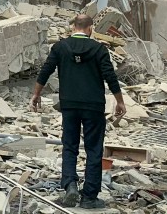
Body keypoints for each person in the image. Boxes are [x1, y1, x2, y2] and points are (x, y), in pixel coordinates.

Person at [30, 14, 126, 209]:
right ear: (90, 28)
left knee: (70, 146)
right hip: (93, 106)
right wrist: (120, 101)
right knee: (93, 149)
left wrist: (36, 94)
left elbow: (45, 70)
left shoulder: (60, 47)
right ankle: (89, 197)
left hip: (69, 105)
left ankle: (70, 185)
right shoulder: (99, 49)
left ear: (73, 26)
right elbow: (110, 76)